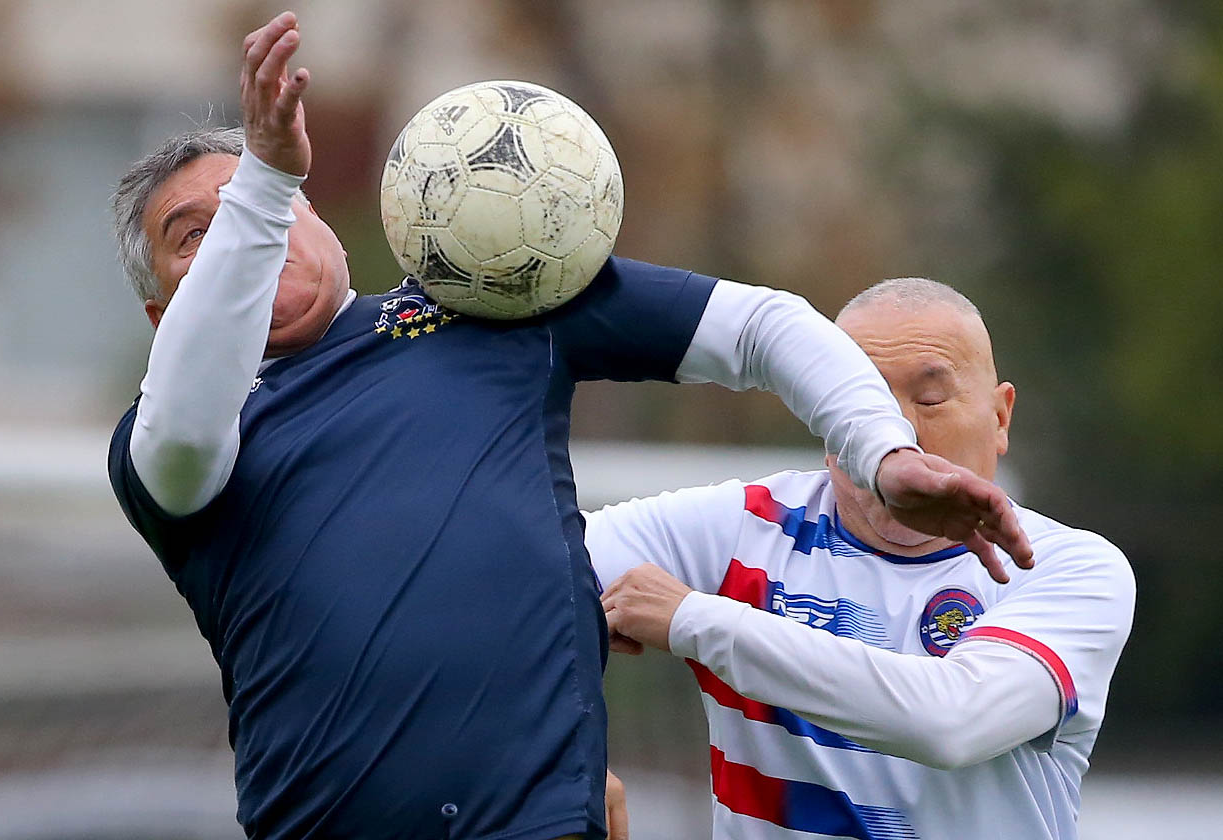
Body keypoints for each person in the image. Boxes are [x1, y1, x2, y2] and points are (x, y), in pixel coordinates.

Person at [106, 12, 1033, 840]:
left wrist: (882, 453)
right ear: (160, 314)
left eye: (260, 206)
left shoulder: (485, 298)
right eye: (195, 235)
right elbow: (186, 430)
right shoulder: (166, 444)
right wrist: (263, 182)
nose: (245, 236)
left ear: (318, 220)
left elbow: (761, 325)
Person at [590, 278, 1135, 840]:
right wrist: (559, 759)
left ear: (1000, 417)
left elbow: (953, 720)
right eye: (862, 401)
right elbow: (529, 574)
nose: (897, 431)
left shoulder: (1072, 568)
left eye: (930, 399)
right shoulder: (740, 526)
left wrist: (693, 619)